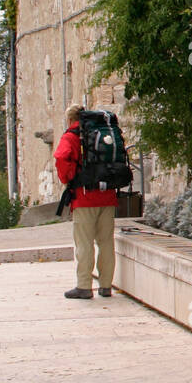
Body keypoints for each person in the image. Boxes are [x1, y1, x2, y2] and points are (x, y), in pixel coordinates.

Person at [55, 103, 118, 300]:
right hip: (107, 194)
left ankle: (84, 286)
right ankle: (106, 286)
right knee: (106, 242)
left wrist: (68, 177)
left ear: (70, 119)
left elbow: (62, 157)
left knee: (84, 243)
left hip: (84, 197)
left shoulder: (72, 136)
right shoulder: (102, 132)